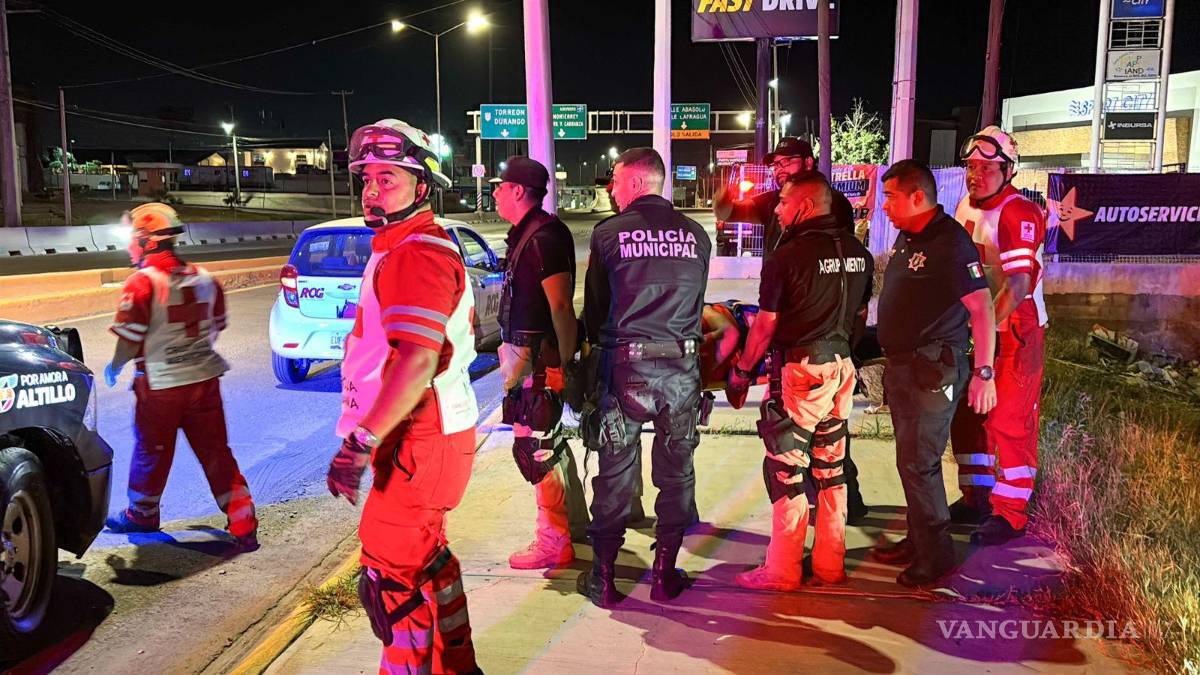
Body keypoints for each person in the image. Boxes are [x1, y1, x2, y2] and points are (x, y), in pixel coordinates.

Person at [325, 119, 480, 673]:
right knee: (426, 559)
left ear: (422, 185)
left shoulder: (415, 253)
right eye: (366, 178)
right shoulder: (405, 245)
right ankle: (456, 666)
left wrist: (360, 443)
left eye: (386, 178)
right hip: (422, 434)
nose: (371, 190)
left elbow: (416, 359)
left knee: (391, 575)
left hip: (420, 435)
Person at [726, 173, 873, 591]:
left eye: (784, 202)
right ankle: (830, 564)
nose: (776, 209)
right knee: (831, 469)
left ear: (805, 206)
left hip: (803, 372)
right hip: (842, 369)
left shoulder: (786, 256)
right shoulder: (858, 252)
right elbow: (860, 316)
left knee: (786, 471)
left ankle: (783, 569)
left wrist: (741, 371)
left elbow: (766, 326)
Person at [579, 147, 711, 607]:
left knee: (615, 472)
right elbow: (696, 306)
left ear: (635, 182)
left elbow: (596, 311)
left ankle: (604, 577)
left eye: (614, 180)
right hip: (681, 369)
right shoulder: (696, 236)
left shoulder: (609, 234)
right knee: (677, 472)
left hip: (626, 368)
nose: (610, 190)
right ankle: (664, 573)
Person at [714, 138, 868, 522]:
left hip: (809, 338)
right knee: (828, 440)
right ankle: (832, 534)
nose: (778, 169)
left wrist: (744, 369)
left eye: (786, 162)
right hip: (817, 339)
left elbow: (828, 274)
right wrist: (723, 191)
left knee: (790, 457)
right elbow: (728, 210)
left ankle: (787, 556)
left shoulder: (829, 210)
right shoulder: (770, 201)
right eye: (775, 164)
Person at [103, 203, 258, 550]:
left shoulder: (141, 283)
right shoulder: (206, 279)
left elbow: (130, 340)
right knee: (216, 451)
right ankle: (243, 517)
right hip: (205, 380)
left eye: (133, 239)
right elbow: (216, 327)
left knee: (152, 451)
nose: (130, 246)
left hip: (160, 386)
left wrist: (114, 366)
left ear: (147, 241)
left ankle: (142, 514)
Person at [872, 160, 997, 588]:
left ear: (917, 197)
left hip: (932, 370)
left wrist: (984, 372)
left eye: (889, 196)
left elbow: (982, 308)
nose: (883, 205)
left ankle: (937, 556)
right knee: (910, 462)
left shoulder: (950, 243)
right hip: (907, 368)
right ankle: (918, 539)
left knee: (921, 464)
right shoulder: (910, 237)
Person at [949, 126, 1048, 545]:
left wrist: (982, 331)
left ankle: (1010, 512)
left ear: (1008, 170)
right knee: (969, 416)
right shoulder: (963, 206)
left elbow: (1018, 285)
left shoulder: (1019, 212)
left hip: (1016, 329)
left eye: (988, 167)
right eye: (971, 166)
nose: (977, 175)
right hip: (979, 329)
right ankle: (976, 495)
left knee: (1009, 419)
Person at [491, 155, 588, 570]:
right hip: (523, 355)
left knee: (536, 448)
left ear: (517, 190)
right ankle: (571, 527)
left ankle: (554, 542)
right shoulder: (526, 233)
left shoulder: (544, 236)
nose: (494, 192)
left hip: (537, 357)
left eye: (499, 185)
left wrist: (565, 367)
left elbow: (562, 306)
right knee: (544, 443)